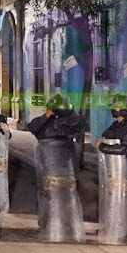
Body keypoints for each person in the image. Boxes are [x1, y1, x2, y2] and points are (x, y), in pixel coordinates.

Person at [27, 93, 87, 242]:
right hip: (47, 164)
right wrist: (47, 116)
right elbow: (33, 127)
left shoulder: (72, 121)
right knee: (47, 193)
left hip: (65, 163)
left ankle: (68, 226)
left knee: (66, 193)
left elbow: (78, 124)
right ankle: (47, 224)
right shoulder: (47, 122)